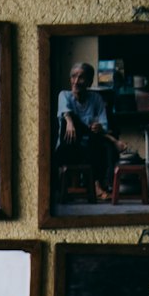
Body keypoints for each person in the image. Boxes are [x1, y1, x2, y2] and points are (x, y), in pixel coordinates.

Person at [55, 62, 120, 199]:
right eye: (73, 77)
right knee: (75, 122)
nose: (76, 81)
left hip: (90, 148)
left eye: (81, 78)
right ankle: (96, 186)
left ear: (89, 82)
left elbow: (104, 125)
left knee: (98, 139)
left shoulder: (96, 99)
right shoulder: (64, 95)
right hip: (68, 148)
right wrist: (70, 121)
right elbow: (65, 111)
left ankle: (100, 185)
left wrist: (100, 127)